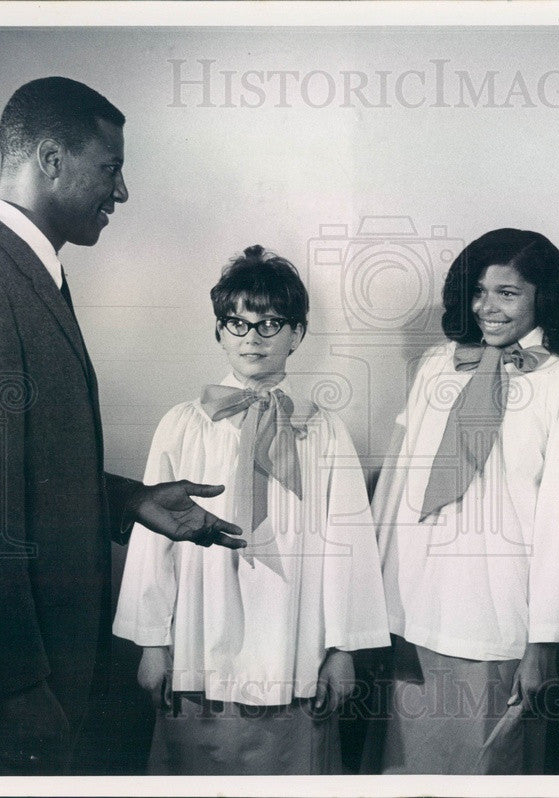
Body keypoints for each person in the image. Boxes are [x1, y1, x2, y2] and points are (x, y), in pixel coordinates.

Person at [0, 77, 244, 777]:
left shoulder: (26, 272)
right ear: (52, 160)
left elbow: (10, 470)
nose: (120, 192)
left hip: (45, 686)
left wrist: (130, 500)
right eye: (111, 168)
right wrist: (20, 695)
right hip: (3, 705)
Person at [112, 246, 390, 775]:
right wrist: (153, 644)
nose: (252, 338)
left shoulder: (323, 430)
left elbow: (347, 544)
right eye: (236, 324)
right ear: (219, 331)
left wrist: (343, 649)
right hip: (200, 635)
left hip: (294, 641)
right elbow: (154, 541)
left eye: (269, 324)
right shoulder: (183, 425)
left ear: (297, 334)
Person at [369, 228, 559, 774]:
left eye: (508, 292)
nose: (487, 307)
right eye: (478, 291)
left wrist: (544, 641)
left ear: (543, 296)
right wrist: (378, 600)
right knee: (409, 766)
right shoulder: (439, 363)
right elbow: (399, 489)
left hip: (501, 615)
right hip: (415, 603)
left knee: (487, 767)